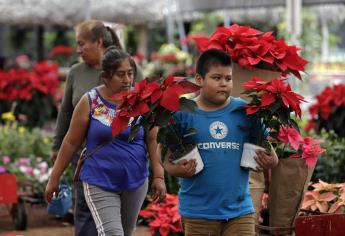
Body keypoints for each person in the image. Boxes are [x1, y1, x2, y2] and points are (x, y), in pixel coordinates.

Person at [46, 46, 166, 236]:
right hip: (98, 180)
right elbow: (71, 142)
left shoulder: (142, 101)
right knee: (112, 233)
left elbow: (152, 139)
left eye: (130, 74)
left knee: (126, 233)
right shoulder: (90, 101)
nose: (127, 80)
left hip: (135, 181)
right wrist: (54, 178)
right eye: (120, 75)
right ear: (105, 77)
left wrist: (159, 176)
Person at [163, 49, 278, 236]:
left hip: (240, 211)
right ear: (199, 79)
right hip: (198, 213)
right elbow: (166, 158)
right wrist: (178, 170)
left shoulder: (245, 111)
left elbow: (271, 155)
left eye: (228, 78)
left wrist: (270, 161)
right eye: (216, 78)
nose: (224, 84)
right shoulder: (183, 114)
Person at [51, 20, 143, 236]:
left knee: (121, 227)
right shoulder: (76, 72)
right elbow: (66, 111)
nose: (78, 49)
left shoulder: (127, 67)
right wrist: (57, 147)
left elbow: (144, 105)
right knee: (84, 213)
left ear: (98, 42)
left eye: (82, 44)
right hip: (87, 157)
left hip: (126, 160)